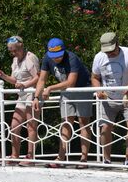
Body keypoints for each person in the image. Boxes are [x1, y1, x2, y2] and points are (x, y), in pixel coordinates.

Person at [33, 38, 93, 168]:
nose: (56, 59)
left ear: (63, 51)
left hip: (82, 89)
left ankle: (84, 158)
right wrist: (36, 97)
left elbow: (71, 82)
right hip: (65, 92)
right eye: (53, 56)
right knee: (65, 122)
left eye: (58, 56)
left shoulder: (72, 58)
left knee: (83, 122)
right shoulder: (47, 58)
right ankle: (61, 157)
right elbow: (42, 80)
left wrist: (50, 88)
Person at [91, 32, 128, 166]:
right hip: (108, 98)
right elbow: (95, 77)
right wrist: (98, 90)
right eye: (107, 52)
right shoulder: (99, 57)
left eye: (112, 51)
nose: (109, 54)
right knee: (105, 127)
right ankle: (106, 159)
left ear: (117, 44)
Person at [0, 36, 40, 166]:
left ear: (21, 46)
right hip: (22, 95)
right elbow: (15, 80)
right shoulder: (15, 60)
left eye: (15, 50)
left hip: (32, 93)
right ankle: (15, 155)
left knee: (31, 126)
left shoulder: (30, 58)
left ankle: (31, 156)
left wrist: (25, 85)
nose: (13, 53)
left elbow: (39, 77)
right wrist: (3, 76)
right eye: (11, 51)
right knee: (14, 126)